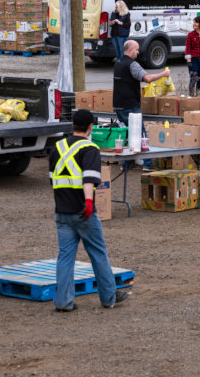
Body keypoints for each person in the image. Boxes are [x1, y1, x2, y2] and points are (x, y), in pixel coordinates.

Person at [49, 109, 130, 312]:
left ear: (72, 125)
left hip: (62, 211)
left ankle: (63, 301)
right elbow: (89, 178)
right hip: (82, 211)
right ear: (90, 127)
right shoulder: (90, 148)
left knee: (65, 257)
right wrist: (88, 202)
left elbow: (53, 179)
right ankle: (109, 297)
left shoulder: (57, 147)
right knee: (97, 253)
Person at [112, 39, 170, 132]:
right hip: (130, 106)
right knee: (139, 133)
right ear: (130, 50)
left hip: (118, 105)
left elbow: (125, 80)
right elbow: (147, 78)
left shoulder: (118, 63)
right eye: (137, 49)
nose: (138, 52)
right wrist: (163, 74)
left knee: (126, 133)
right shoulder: (132, 64)